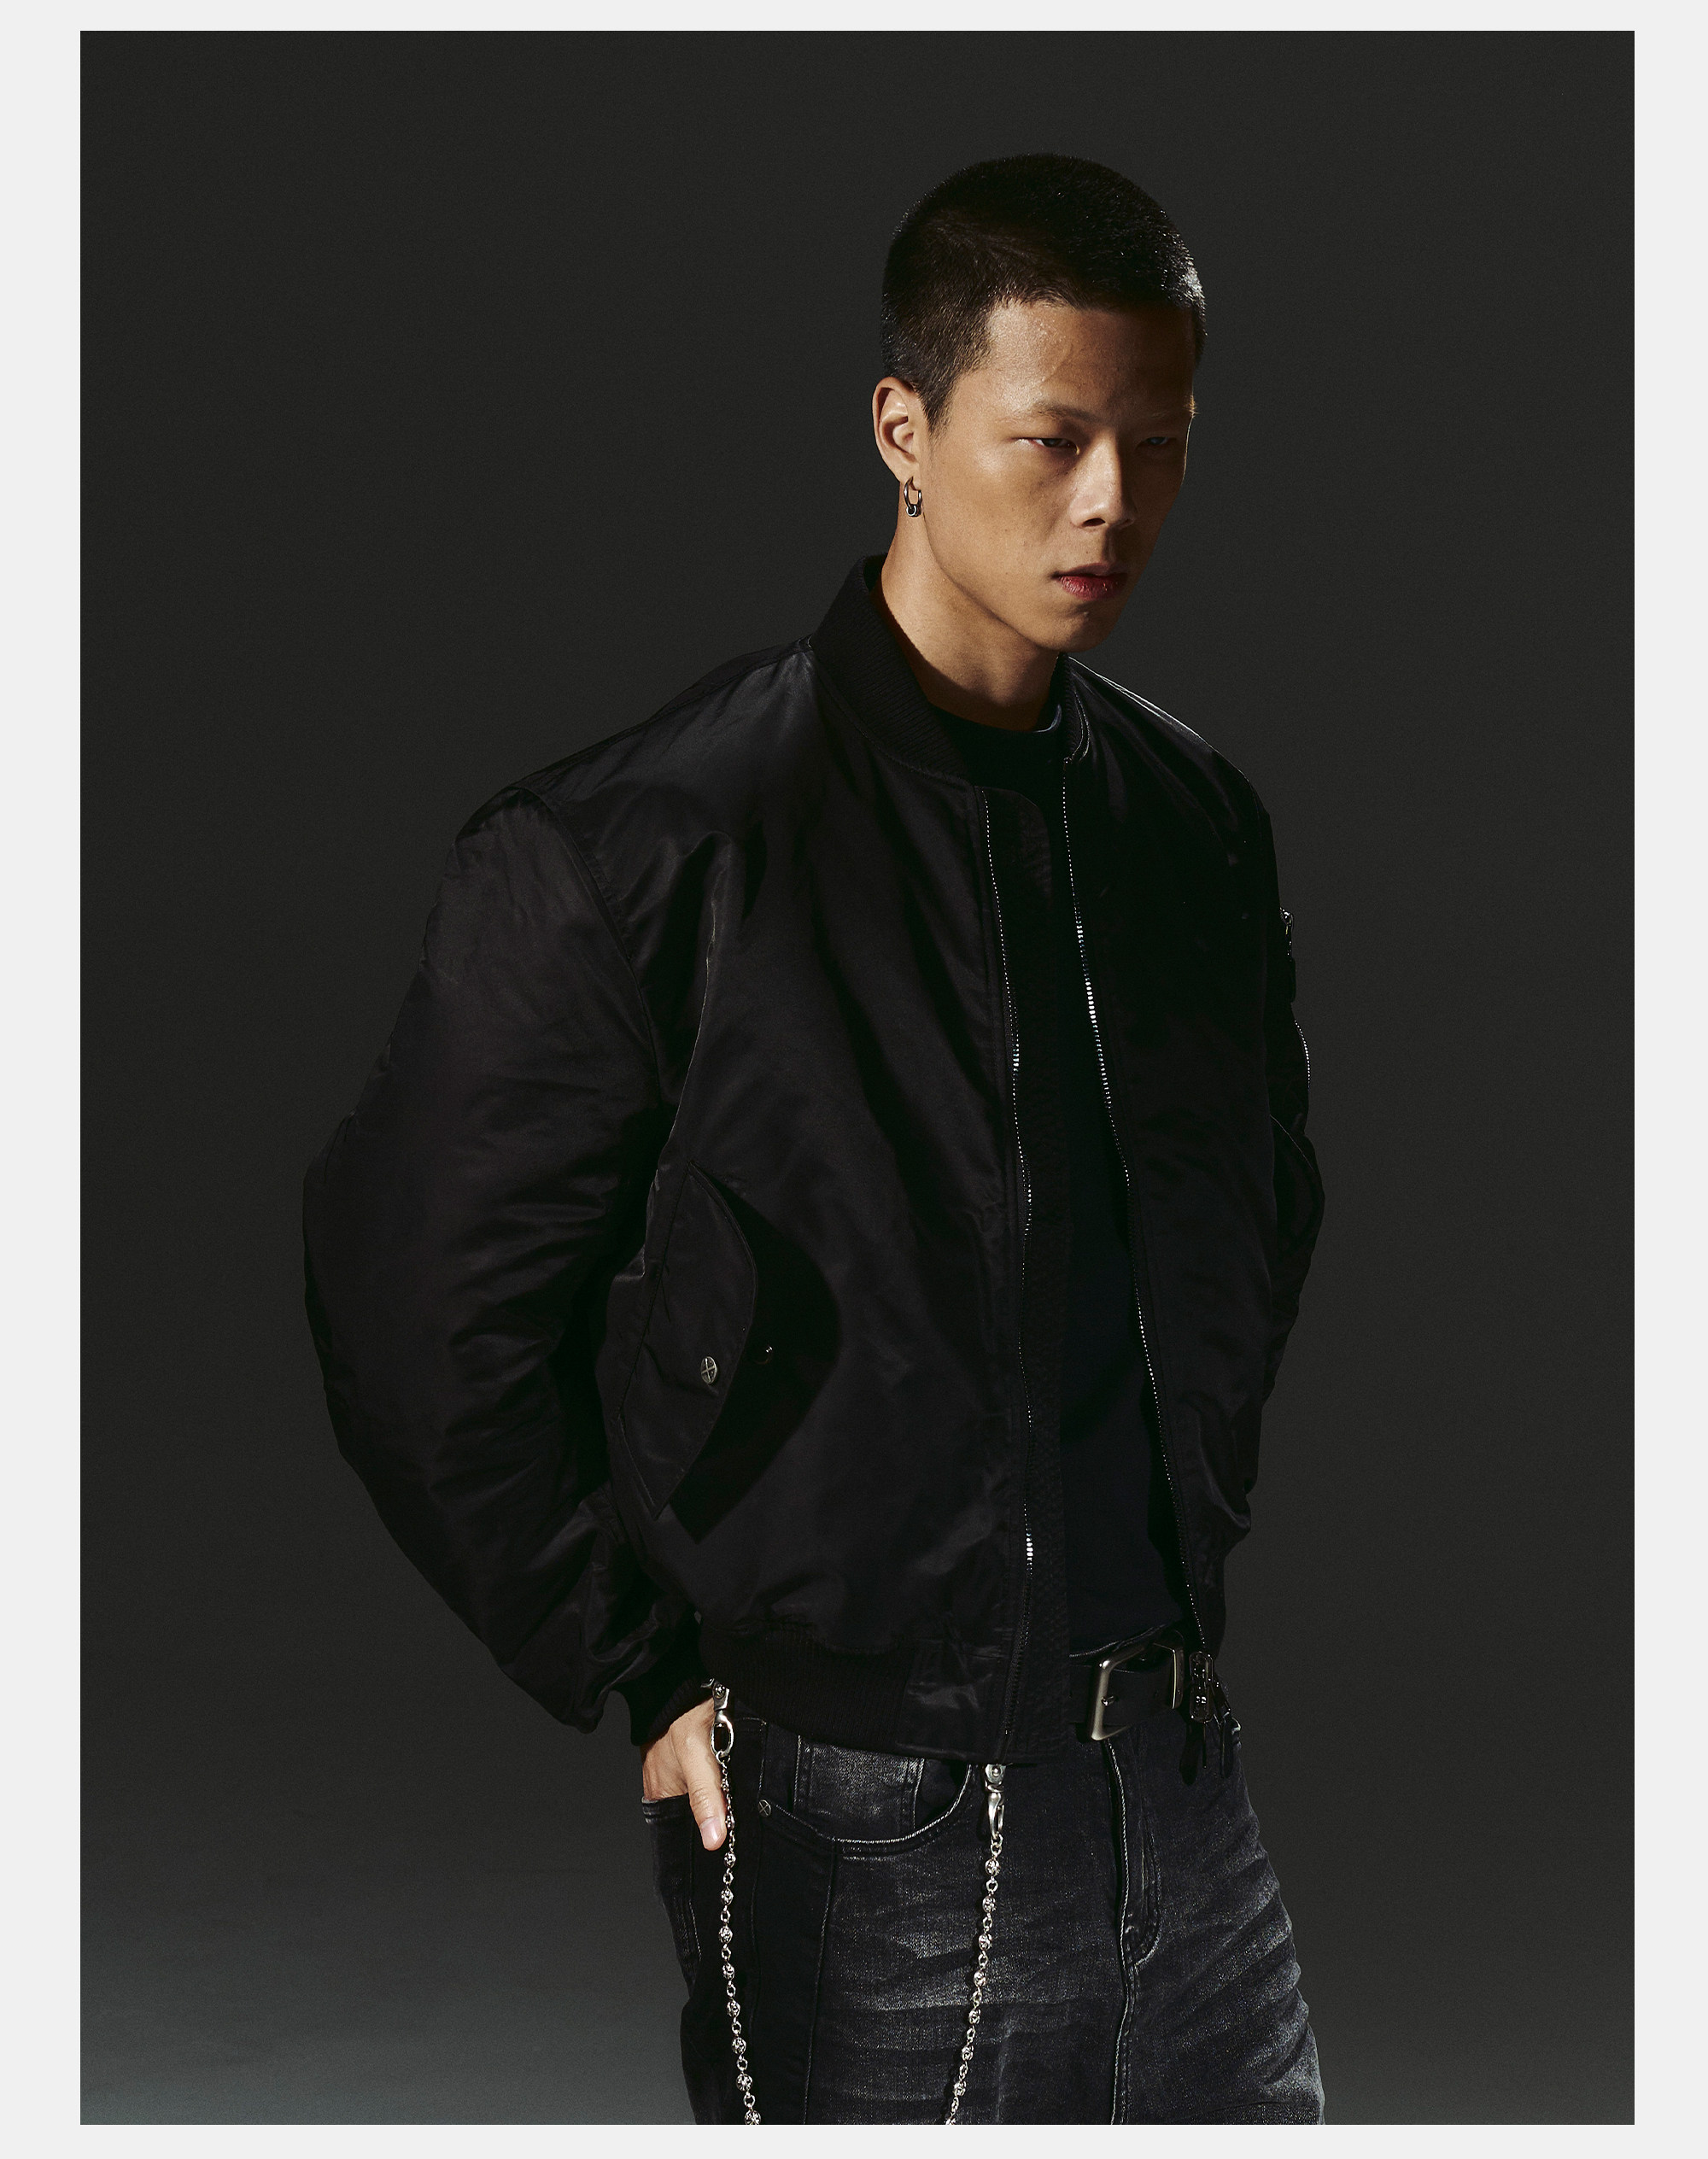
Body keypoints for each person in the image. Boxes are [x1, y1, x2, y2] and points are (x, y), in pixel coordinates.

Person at [302, 151, 1326, 2125]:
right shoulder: (647, 847)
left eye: (1158, 441)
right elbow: (411, 1306)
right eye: (1051, 437)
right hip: (860, 1818)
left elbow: (1259, 1210)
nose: (1109, 499)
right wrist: (631, 1658)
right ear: (903, 432)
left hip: (1180, 1784)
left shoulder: (1191, 824)